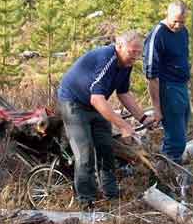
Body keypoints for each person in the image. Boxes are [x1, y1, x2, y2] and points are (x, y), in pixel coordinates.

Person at [57, 30, 154, 209]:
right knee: (85, 153)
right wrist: (124, 125)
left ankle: (111, 194)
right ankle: (86, 202)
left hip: (94, 104)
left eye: (138, 53)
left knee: (106, 148)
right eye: (132, 52)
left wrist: (142, 118)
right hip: (74, 103)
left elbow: (123, 92)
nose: (135, 57)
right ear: (119, 46)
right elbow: (97, 98)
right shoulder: (107, 59)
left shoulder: (126, 63)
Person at [143, 0, 191, 164]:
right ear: (167, 14)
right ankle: (165, 176)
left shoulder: (184, 32)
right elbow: (151, 74)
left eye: (182, 21)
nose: (178, 25)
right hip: (168, 88)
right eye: (175, 21)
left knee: (182, 131)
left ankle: (173, 168)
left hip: (182, 86)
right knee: (175, 139)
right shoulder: (158, 34)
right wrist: (157, 108)